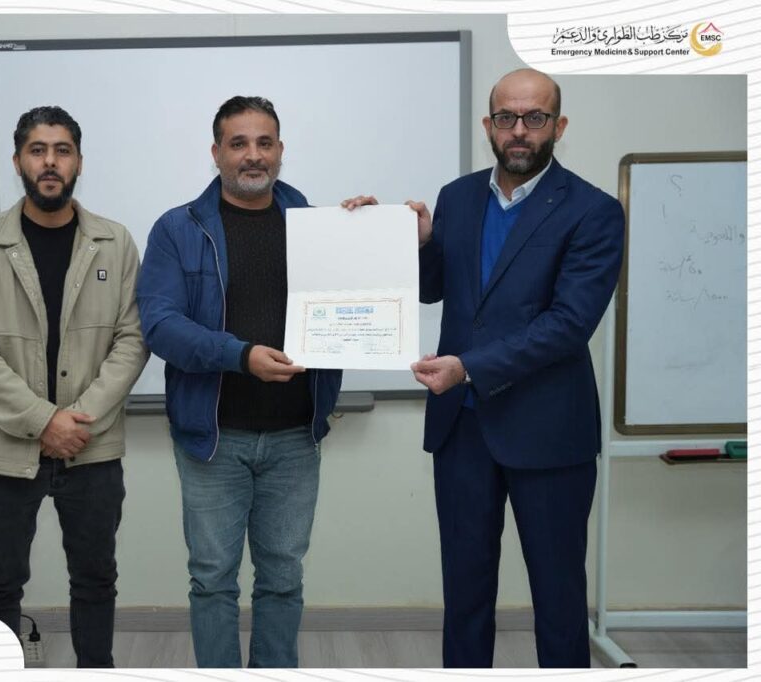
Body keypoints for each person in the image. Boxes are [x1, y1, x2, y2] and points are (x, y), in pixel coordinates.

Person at [344, 69, 625, 667]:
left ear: (559, 126)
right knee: (465, 595)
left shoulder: (594, 211)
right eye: (506, 118)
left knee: (558, 599)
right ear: (488, 125)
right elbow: (435, 289)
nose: (519, 130)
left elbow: (568, 324)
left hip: (548, 434)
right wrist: (409, 241)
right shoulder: (458, 197)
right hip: (463, 432)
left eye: (535, 118)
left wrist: (467, 367)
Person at [136, 96, 342, 668]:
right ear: (216, 152)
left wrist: (369, 233)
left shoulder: (316, 223)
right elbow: (161, 325)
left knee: (283, 578)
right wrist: (241, 356)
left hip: (295, 435)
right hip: (214, 439)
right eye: (239, 143)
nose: (253, 155)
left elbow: (360, 297)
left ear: (280, 150)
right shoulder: (178, 229)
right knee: (212, 580)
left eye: (264, 143)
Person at [0, 105, 147, 667]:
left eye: (62, 150)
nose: (50, 162)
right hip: (7, 449)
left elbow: (132, 340)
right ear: (18, 162)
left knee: (95, 578)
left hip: (91, 445)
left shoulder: (115, 242)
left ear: (79, 161)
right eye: (38, 151)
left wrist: (76, 420)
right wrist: (44, 421)